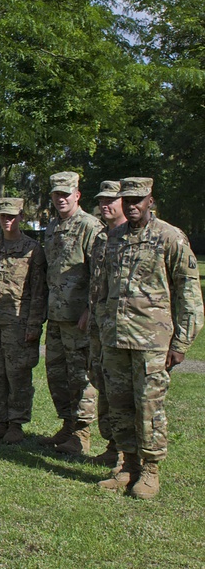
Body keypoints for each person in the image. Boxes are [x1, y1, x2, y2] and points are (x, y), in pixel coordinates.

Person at [95, 177, 203, 499]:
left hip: (151, 342)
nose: (132, 205)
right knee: (119, 405)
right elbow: (101, 290)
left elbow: (189, 293)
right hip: (116, 339)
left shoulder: (170, 237)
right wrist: (101, 330)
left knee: (149, 408)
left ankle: (151, 471)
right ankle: (127, 466)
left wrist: (181, 343)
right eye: (127, 199)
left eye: (138, 199)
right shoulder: (113, 238)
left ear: (150, 201)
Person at [0, 198, 47, 444]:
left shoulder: (32, 249)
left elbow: (38, 290)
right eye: (4, 216)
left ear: (21, 217)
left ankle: (16, 424)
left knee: (18, 374)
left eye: (12, 216)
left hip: (18, 321)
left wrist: (34, 324)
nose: (7, 220)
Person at [42, 171, 103, 455]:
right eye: (57, 194)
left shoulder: (90, 226)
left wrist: (91, 309)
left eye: (66, 193)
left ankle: (82, 434)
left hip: (78, 318)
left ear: (78, 194)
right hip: (55, 315)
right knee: (57, 374)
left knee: (81, 376)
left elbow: (99, 273)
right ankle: (67, 425)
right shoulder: (52, 226)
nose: (61, 198)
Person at [87, 180, 126, 465]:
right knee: (103, 384)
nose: (105, 205)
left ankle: (130, 454)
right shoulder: (101, 238)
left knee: (128, 392)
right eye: (102, 200)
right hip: (100, 327)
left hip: (133, 331)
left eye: (111, 200)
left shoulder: (157, 236)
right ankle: (113, 445)